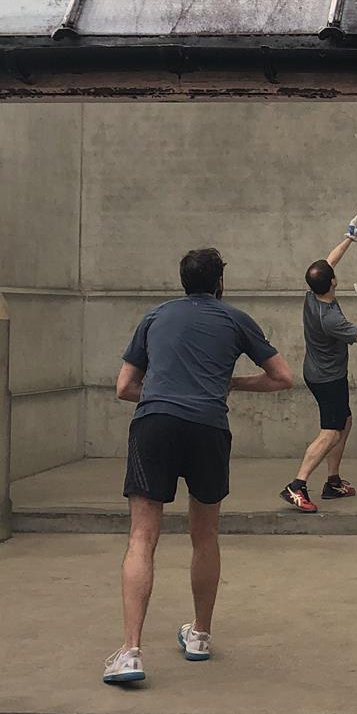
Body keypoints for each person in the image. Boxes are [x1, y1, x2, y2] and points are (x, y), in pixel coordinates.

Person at [104, 246, 294, 686]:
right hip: (209, 427)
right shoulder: (236, 320)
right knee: (204, 534)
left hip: (154, 425)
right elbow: (283, 376)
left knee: (141, 536)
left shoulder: (154, 316)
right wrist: (230, 383)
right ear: (220, 283)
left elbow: (124, 387)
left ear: (182, 281)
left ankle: (130, 652)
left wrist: (161, 395)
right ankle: (200, 636)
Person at [283, 214, 357, 512]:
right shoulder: (331, 318)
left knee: (344, 421)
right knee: (331, 431)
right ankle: (296, 485)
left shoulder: (313, 294)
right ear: (333, 283)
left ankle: (333, 481)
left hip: (320, 372)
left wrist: (349, 238)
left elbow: (328, 262)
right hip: (327, 378)